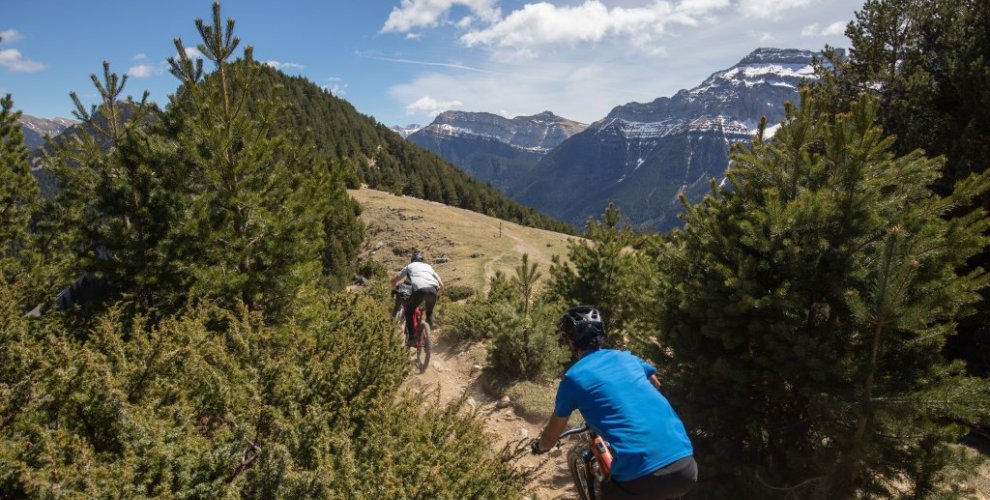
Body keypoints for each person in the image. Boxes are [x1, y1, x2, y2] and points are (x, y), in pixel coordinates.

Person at [530, 306, 697, 499]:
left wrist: (539, 447)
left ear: (570, 341)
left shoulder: (573, 378)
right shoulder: (626, 357)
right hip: (686, 464)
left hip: (642, 478)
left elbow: (550, 439)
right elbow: (655, 384)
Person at [390, 250, 443, 346]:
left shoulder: (410, 266)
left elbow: (395, 280)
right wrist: (437, 295)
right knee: (429, 312)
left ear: (412, 260)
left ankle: (411, 338)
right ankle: (428, 338)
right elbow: (442, 285)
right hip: (433, 291)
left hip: (419, 290)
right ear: (422, 260)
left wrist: (394, 288)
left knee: (409, 312)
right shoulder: (429, 267)